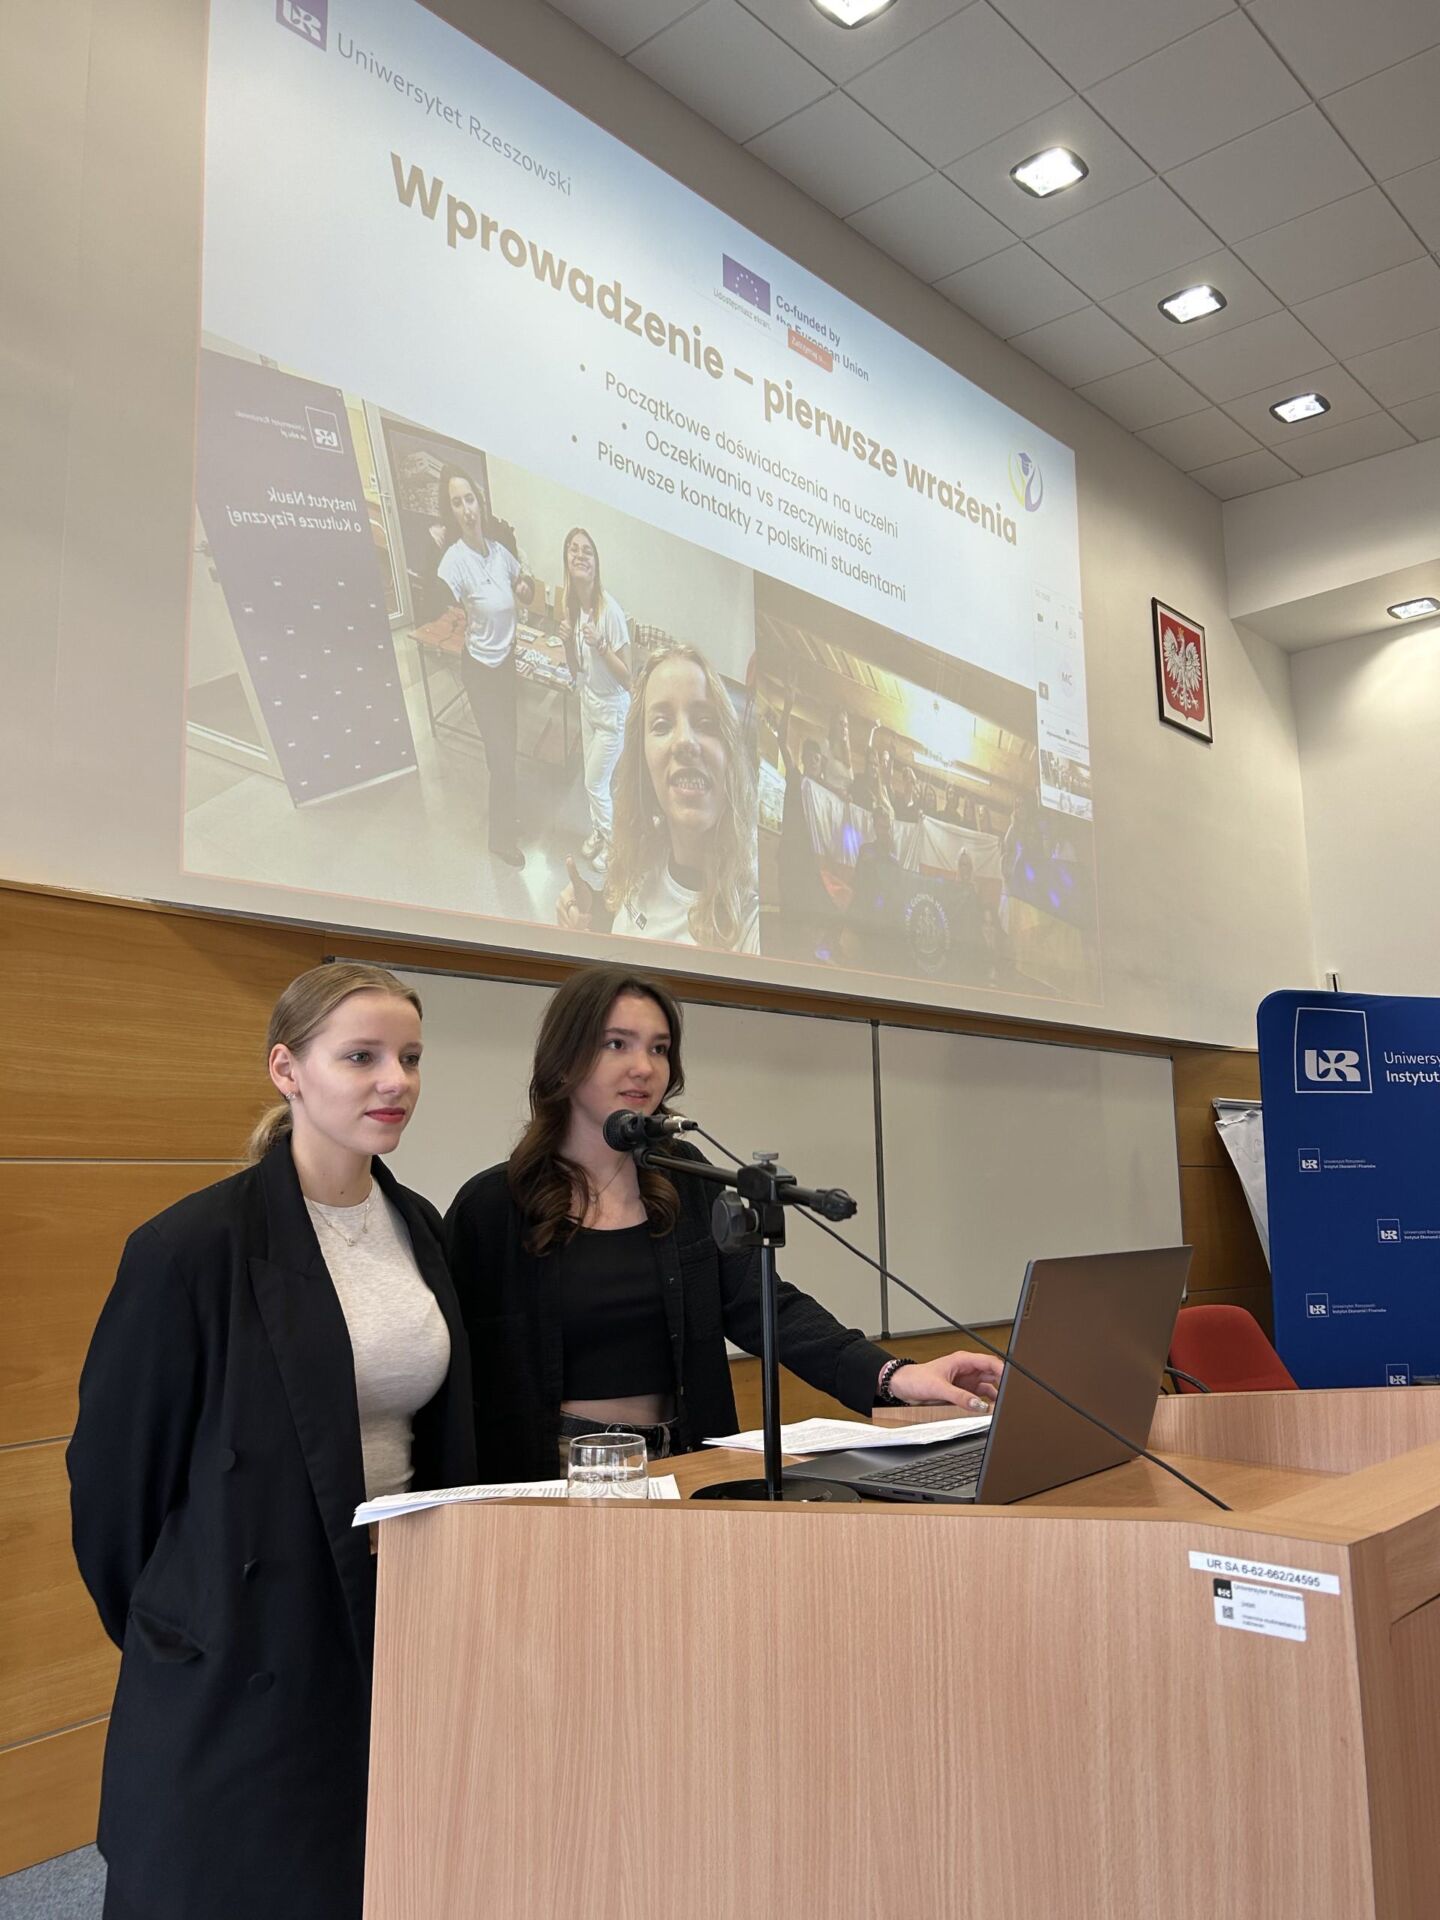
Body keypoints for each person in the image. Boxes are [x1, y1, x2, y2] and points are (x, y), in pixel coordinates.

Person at [68, 964, 476, 1920]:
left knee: (384, 1872)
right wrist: (189, 1622)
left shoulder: (418, 1225)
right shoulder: (189, 1247)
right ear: (287, 1070)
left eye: (410, 1058)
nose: (396, 1082)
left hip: (397, 1599)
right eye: (362, 1057)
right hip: (251, 1632)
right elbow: (114, 1487)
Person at [444, 965, 1002, 1477]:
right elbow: (452, 1376)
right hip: (556, 1474)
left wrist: (891, 1376)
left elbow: (766, 1306)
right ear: (565, 1060)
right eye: (617, 1044)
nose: (644, 1067)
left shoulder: (685, 1178)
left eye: (659, 1048)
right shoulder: (492, 1207)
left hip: (686, 1459)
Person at [555, 641, 760, 954]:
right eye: (662, 725)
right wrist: (592, 912)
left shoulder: (753, 925)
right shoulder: (642, 853)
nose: (685, 741)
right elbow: (629, 919)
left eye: (706, 723)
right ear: (644, 764)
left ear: (730, 754)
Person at [434, 463, 535, 869]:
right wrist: (430, 549)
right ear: (451, 511)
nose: (467, 509)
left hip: (505, 665)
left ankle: (505, 814)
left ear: (480, 502)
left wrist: (524, 586)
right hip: (480, 671)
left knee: (505, 750)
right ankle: (501, 839)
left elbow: (523, 586)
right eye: (457, 503)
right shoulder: (453, 561)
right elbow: (433, 598)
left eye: (470, 499)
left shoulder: (498, 552)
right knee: (501, 753)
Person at [557, 525, 631, 869]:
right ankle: (601, 833)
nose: (580, 555)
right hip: (588, 702)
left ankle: (616, 847)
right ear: (566, 559)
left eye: (587, 550)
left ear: (596, 563)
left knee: (594, 782)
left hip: (613, 710)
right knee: (593, 779)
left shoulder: (609, 612)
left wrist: (602, 645)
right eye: (573, 549)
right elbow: (576, 671)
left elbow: (628, 677)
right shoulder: (572, 608)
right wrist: (567, 643)